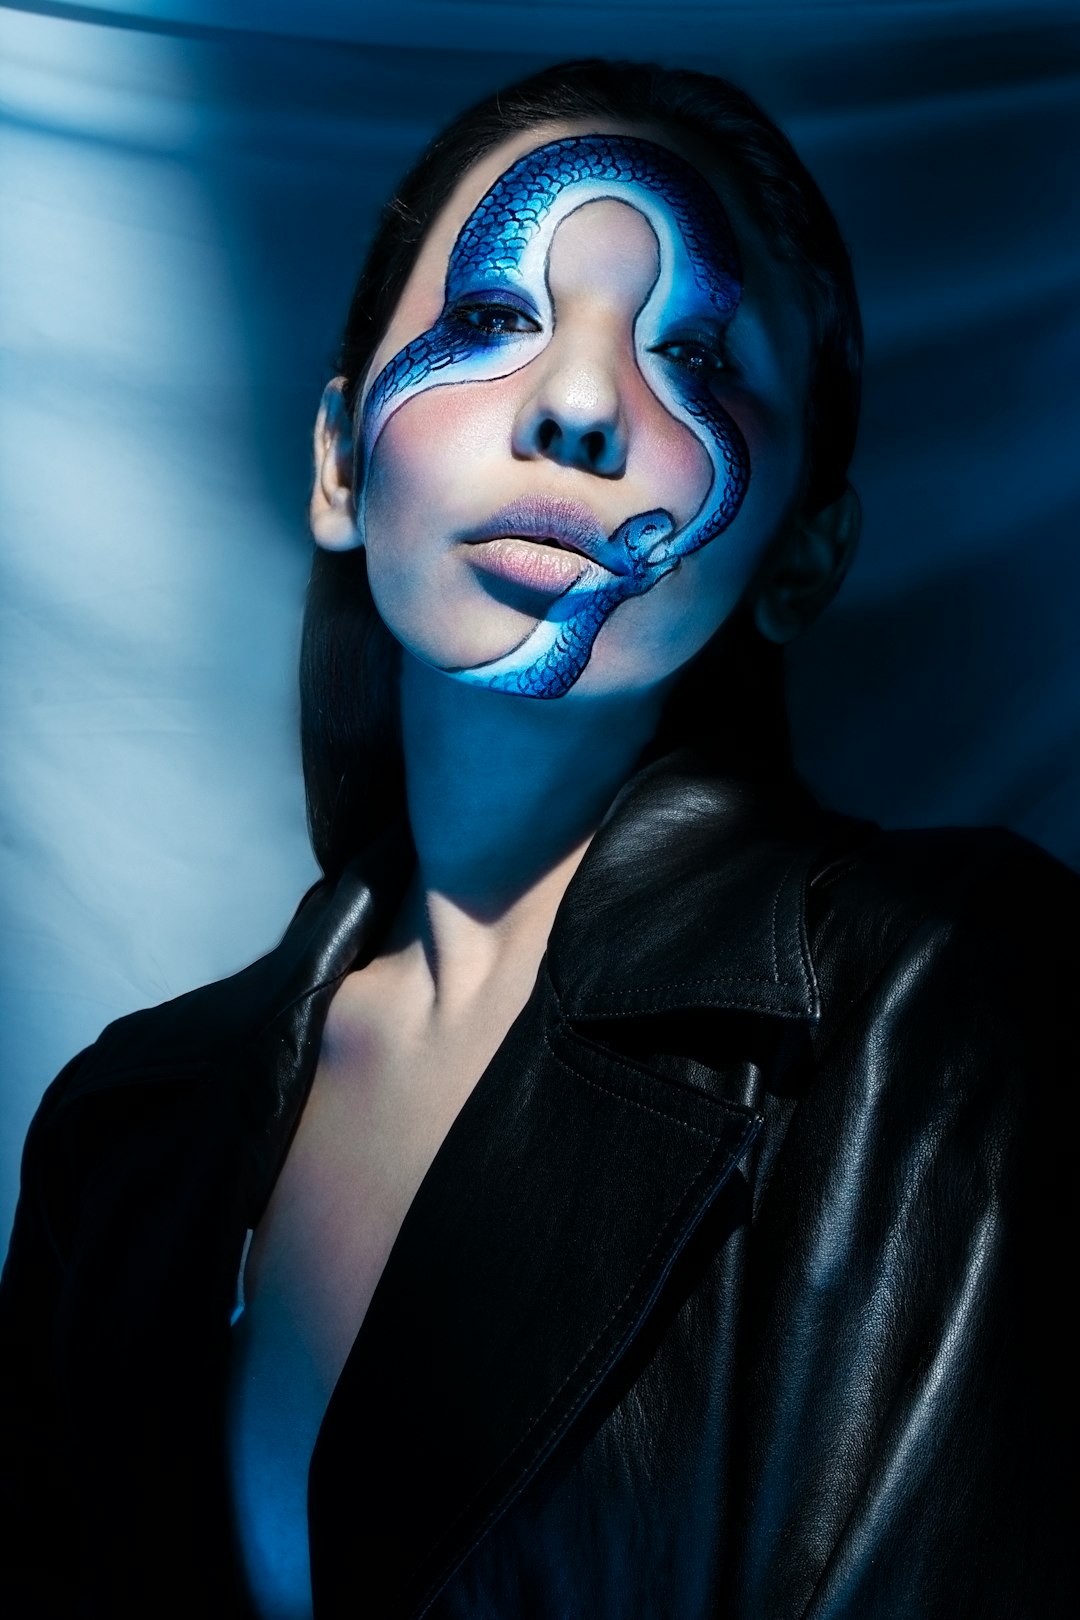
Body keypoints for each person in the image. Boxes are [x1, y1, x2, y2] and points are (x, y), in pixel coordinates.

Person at [1, 56, 1074, 1620]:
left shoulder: (938, 1000)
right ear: (337, 460)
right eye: (496, 321)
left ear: (805, 552)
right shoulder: (124, 1136)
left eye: (693, 355)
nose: (579, 405)